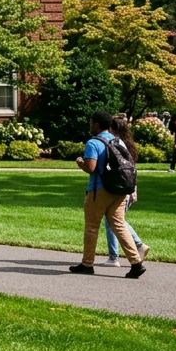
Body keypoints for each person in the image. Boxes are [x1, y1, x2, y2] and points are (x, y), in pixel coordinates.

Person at [70, 110, 146, 278]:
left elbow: (91, 168)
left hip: (99, 190)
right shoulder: (118, 141)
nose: (90, 125)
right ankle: (136, 263)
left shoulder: (93, 143)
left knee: (91, 227)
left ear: (96, 124)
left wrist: (80, 163)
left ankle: (87, 264)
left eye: (91, 122)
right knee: (119, 224)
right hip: (120, 190)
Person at [101, 116, 151, 267]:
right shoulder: (128, 145)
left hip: (122, 188)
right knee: (115, 220)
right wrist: (134, 189)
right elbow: (132, 170)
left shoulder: (117, 146)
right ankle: (130, 249)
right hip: (128, 187)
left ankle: (117, 255)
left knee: (114, 221)